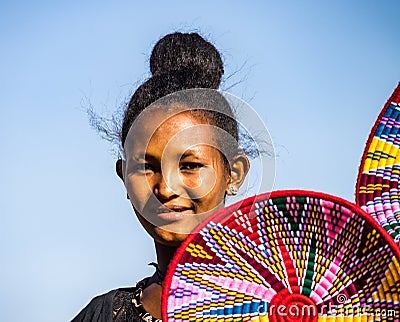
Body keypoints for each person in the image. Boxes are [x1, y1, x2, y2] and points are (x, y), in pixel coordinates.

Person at [72, 32, 255, 322]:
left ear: (234, 173)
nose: (166, 187)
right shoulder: (102, 314)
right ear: (124, 179)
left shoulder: (283, 308)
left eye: (190, 165)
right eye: (146, 167)